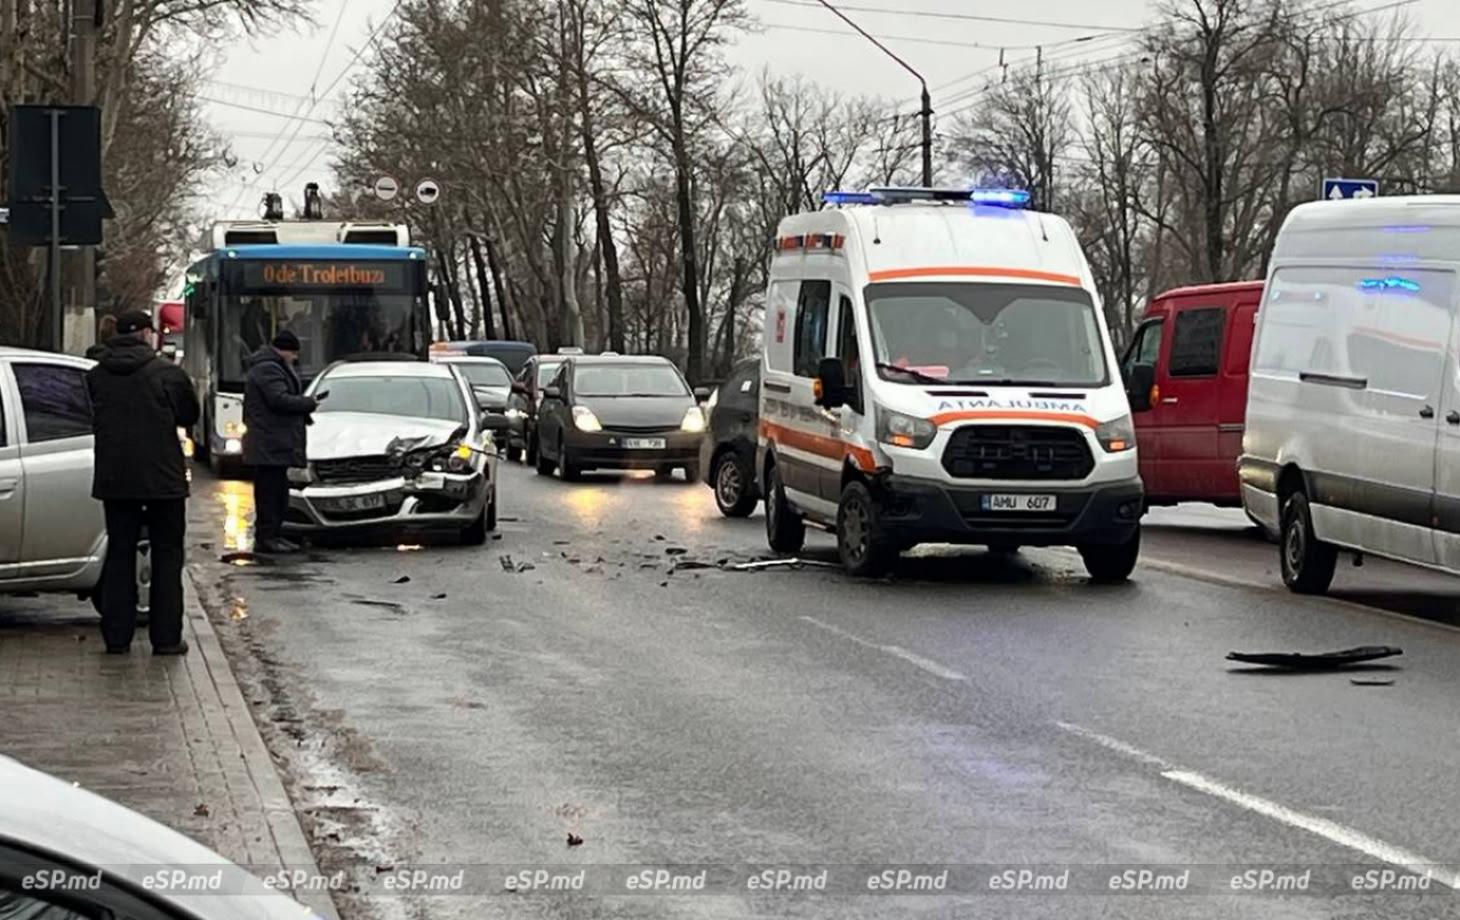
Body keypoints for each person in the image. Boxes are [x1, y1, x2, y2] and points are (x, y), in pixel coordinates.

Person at [85, 310, 200, 655]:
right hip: (163, 479)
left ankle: (116, 637)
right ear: (148, 334)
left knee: (120, 554)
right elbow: (189, 414)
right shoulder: (167, 374)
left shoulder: (97, 377)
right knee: (168, 556)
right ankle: (165, 638)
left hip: (115, 479)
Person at [243, 330, 319, 554]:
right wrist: (307, 403)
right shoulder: (268, 368)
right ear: (285, 350)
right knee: (270, 493)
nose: (295, 358)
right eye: (293, 353)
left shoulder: (269, 366)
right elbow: (278, 399)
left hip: (273, 442)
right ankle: (268, 537)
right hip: (269, 442)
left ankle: (274, 535)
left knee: (276, 491)